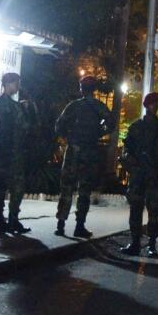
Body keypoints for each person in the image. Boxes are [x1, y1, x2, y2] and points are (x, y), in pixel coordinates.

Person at [54, 75, 113, 237]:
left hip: (73, 150)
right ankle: (79, 226)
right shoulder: (99, 107)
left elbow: (59, 126)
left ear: (81, 89)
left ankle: (61, 224)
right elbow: (111, 124)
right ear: (93, 90)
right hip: (89, 151)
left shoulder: (73, 106)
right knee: (84, 190)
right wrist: (98, 133)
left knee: (66, 187)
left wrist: (69, 137)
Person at [120, 91, 158, 257]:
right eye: (151, 103)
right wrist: (132, 163)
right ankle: (135, 242)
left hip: (155, 176)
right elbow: (127, 149)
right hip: (138, 176)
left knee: (154, 212)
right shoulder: (136, 127)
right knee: (135, 209)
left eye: (156, 103)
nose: (154, 106)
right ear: (145, 105)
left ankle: (152, 245)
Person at [0, 72, 32, 235]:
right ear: (8, 84)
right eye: (16, 83)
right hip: (13, 151)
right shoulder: (11, 106)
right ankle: (12, 220)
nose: (18, 87)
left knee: (0, 185)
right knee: (16, 187)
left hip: (2, 151)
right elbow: (24, 127)